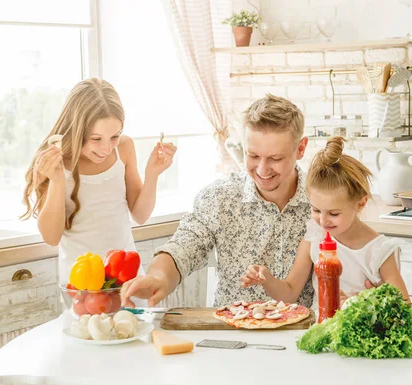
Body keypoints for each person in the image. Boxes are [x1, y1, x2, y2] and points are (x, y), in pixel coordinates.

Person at [120, 94, 315, 308]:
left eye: (275, 159)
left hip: (301, 334)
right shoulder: (220, 197)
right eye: (253, 156)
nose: (262, 169)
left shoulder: (323, 202)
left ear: (301, 149)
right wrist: (159, 278)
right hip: (231, 334)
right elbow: (183, 247)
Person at [21, 78, 177, 284]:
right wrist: (57, 182)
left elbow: (140, 215)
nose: (106, 148)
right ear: (76, 130)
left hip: (128, 278)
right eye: (96, 139)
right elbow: (51, 237)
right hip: (81, 285)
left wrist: (153, 175)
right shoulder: (55, 161)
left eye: (114, 136)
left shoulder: (124, 148)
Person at [240, 136, 410, 311]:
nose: (323, 220)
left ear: (360, 203)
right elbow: (289, 294)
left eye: (334, 213)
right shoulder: (315, 237)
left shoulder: (379, 251)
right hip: (319, 330)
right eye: (316, 210)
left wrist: (367, 302)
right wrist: (267, 279)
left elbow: (404, 309)